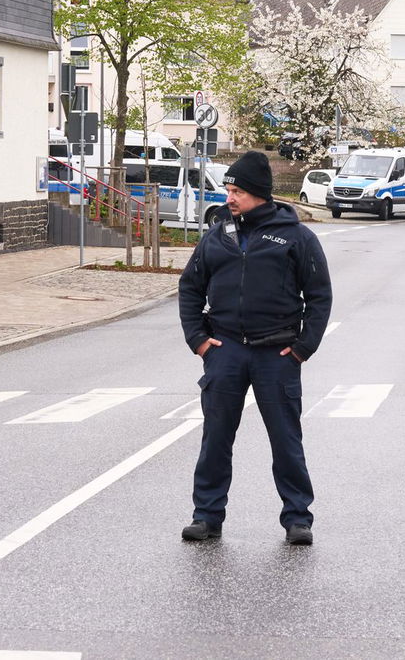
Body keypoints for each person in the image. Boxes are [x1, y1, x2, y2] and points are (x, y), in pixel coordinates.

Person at [178, 149, 332, 546]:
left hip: (276, 354)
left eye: (237, 191)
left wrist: (303, 348)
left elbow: (319, 296)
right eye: (229, 189)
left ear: (259, 194)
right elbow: (190, 288)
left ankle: (298, 518)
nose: (229, 197)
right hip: (225, 350)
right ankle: (206, 516)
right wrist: (199, 341)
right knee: (216, 437)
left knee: (285, 440)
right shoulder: (218, 235)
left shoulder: (296, 237)